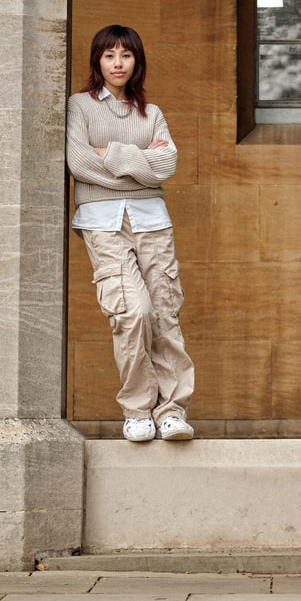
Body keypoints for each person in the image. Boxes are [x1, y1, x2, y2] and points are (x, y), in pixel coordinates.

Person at [66, 25, 196, 442]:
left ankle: (171, 411)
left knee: (164, 314)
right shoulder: (79, 107)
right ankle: (138, 410)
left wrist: (110, 154)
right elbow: (79, 163)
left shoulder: (151, 113)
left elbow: (167, 166)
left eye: (125, 55)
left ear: (137, 61)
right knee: (132, 312)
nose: (117, 63)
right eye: (109, 55)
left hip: (153, 221)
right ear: (98, 60)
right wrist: (141, 164)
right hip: (102, 222)